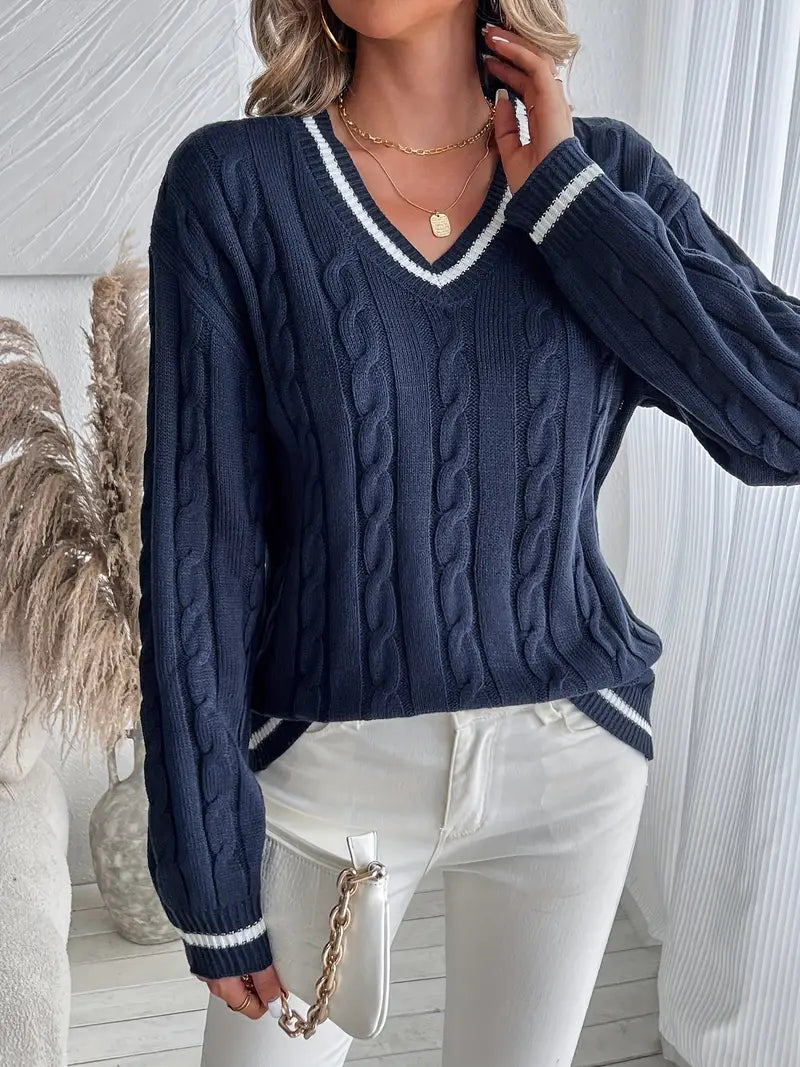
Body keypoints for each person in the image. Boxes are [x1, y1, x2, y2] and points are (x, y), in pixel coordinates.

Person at [138, 0, 800, 1063]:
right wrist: (208, 867)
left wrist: (569, 203)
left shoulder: (604, 177)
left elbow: (781, 419)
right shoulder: (234, 186)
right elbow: (196, 547)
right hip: (328, 763)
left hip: (568, 760)